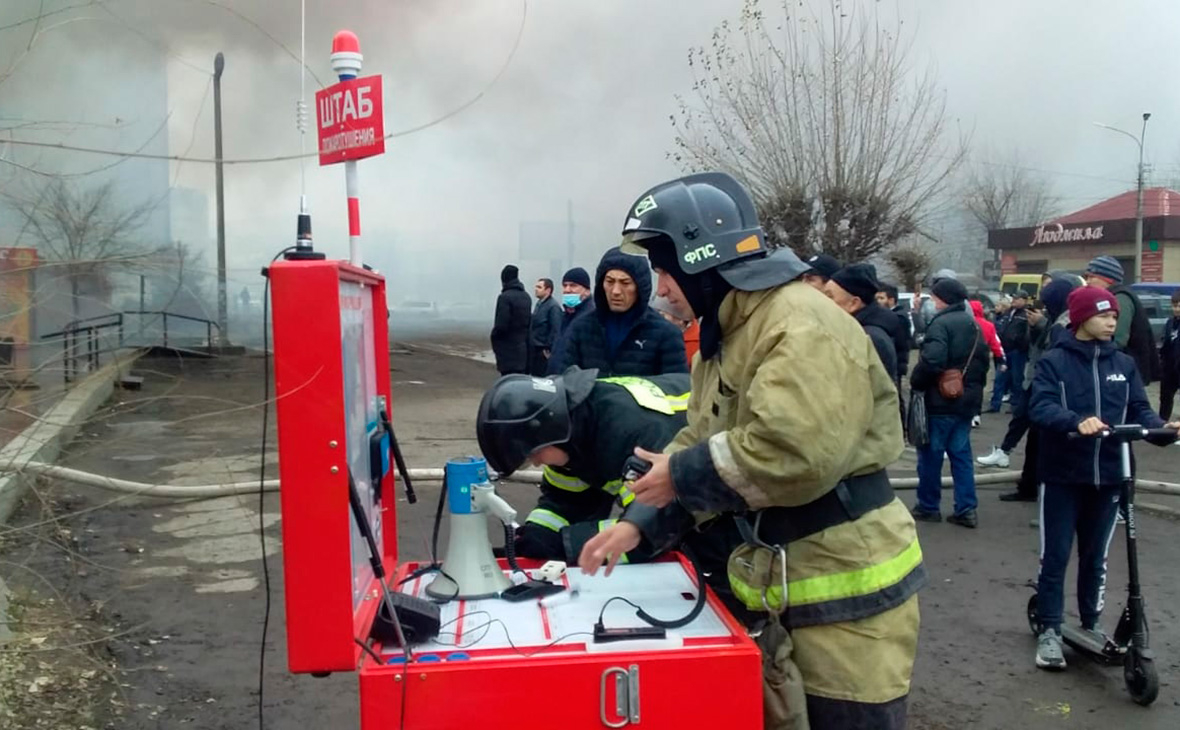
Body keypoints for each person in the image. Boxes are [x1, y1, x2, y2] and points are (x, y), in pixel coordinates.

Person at [581, 172, 924, 729]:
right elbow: (697, 438)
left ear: (700, 259)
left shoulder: (799, 325)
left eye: (666, 269)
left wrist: (682, 474)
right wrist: (637, 524)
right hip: (785, 588)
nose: (661, 287)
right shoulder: (728, 338)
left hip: (850, 596)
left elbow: (794, 453)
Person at [1027, 287, 1179, 670]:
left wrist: (1163, 429)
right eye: (1103, 315)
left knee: (1096, 557)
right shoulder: (1054, 361)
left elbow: (1141, 409)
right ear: (1080, 319)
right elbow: (1040, 406)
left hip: (1111, 475)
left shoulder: (1124, 364)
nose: (1112, 320)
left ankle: (1090, 625)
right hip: (1063, 475)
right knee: (1056, 556)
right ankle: (1049, 630)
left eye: (1114, 315)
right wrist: (1075, 421)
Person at [476, 368, 692, 564]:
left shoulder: (633, 438)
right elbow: (566, 500)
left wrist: (565, 544)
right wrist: (538, 534)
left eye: (533, 452)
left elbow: (650, 529)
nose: (536, 462)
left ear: (547, 431)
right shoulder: (570, 431)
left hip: (715, 482)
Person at [988, 278, 1081, 501]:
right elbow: (1035, 345)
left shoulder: (1064, 323)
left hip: (1048, 388)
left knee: (1044, 443)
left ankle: (1042, 490)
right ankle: (1029, 486)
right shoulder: (1053, 319)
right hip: (1037, 382)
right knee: (1033, 440)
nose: (1045, 308)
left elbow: (1053, 353)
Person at [910, 279, 989, 528]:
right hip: (966, 401)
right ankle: (966, 509)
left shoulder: (941, 324)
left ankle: (928, 506)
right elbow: (983, 363)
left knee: (931, 456)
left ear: (942, 299)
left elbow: (932, 360)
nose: (931, 303)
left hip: (940, 400)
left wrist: (917, 381)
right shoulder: (974, 325)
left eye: (933, 298)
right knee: (961, 456)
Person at [551, 247, 687, 377]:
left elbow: (676, 389)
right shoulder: (582, 328)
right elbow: (566, 381)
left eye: (625, 283)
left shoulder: (665, 334)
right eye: (610, 282)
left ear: (640, 287)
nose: (616, 291)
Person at [977, 301, 1045, 471]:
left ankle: (1007, 453)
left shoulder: (1054, 323)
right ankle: (1004, 452)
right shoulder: (1011, 316)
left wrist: (1040, 324)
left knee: (1033, 425)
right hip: (1033, 377)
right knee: (1020, 418)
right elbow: (1033, 343)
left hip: (1041, 378)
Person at [1083, 255, 1161, 384]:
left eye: (1092, 277)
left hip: (1125, 374)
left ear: (1108, 279)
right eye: (1087, 277)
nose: (1088, 282)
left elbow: (1118, 339)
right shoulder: (1113, 296)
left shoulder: (1120, 299)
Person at [825, 264, 900, 379]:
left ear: (854, 303)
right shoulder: (854, 330)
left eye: (830, 297)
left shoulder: (869, 338)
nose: (823, 302)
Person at [546, 267, 595, 375]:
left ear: (586, 290)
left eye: (573, 285)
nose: (567, 290)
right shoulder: (567, 316)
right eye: (565, 285)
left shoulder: (591, 318)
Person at [991, 290, 1030, 411]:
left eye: (1017, 299)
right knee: (999, 378)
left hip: (1017, 351)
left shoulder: (1026, 314)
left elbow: (1028, 334)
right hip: (1004, 350)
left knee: (1016, 379)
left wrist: (1021, 345)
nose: (1014, 301)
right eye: (1013, 298)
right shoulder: (1008, 312)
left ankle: (1015, 405)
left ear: (1024, 300)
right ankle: (995, 405)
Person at [490, 264, 532, 375]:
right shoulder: (526, 297)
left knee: (508, 382)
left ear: (504, 280)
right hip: (523, 351)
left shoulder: (504, 298)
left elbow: (501, 326)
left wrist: (494, 339)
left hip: (508, 352)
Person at [970, 299, 1006, 427]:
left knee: (965, 387)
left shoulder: (966, 323)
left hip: (965, 360)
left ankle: (966, 413)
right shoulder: (989, 325)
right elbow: (996, 344)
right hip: (982, 361)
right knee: (978, 387)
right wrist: (1001, 359)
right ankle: (976, 414)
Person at [652, 296, 700, 366]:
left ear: (680, 319)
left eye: (662, 315)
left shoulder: (699, 345)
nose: (656, 319)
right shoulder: (650, 335)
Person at [528, 278, 562, 376]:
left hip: (543, 353)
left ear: (548, 290)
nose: (536, 289)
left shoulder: (553, 307)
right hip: (535, 351)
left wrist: (549, 350)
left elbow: (556, 330)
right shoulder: (539, 305)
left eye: (539, 287)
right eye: (536, 287)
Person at [1161, 290, 1180, 420]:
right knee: (1165, 398)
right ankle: (1161, 426)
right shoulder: (1170, 323)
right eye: (1174, 305)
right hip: (1169, 368)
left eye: (1179, 306)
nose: (1177, 309)